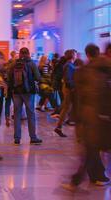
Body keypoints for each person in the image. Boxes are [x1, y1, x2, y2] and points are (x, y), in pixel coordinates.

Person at [62, 44, 110, 190]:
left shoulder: (91, 71)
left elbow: (85, 96)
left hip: (94, 117)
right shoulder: (97, 71)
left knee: (90, 149)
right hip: (95, 117)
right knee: (91, 149)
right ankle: (96, 177)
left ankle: (79, 181)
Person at [8, 47, 42, 145]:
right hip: (28, 92)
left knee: (17, 114)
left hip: (16, 92)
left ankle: (17, 138)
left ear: (20, 54)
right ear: (28, 53)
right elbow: (38, 77)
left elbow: (9, 76)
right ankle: (33, 137)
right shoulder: (31, 64)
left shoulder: (14, 64)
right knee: (31, 114)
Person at [54, 49, 78, 137]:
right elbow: (68, 79)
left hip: (68, 88)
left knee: (67, 107)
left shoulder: (70, 65)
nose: (76, 56)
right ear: (72, 55)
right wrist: (72, 88)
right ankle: (58, 127)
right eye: (75, 54)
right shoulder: (69, 65)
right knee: (66, 108)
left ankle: (59, 126)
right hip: (69, 89)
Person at [4, 51, 18, 126]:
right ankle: (16, 116)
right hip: (14, 86)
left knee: (7, 103)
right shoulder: (16, 65)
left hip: (7, 86)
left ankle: (7, 117)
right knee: (16, 103)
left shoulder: (6, 64)